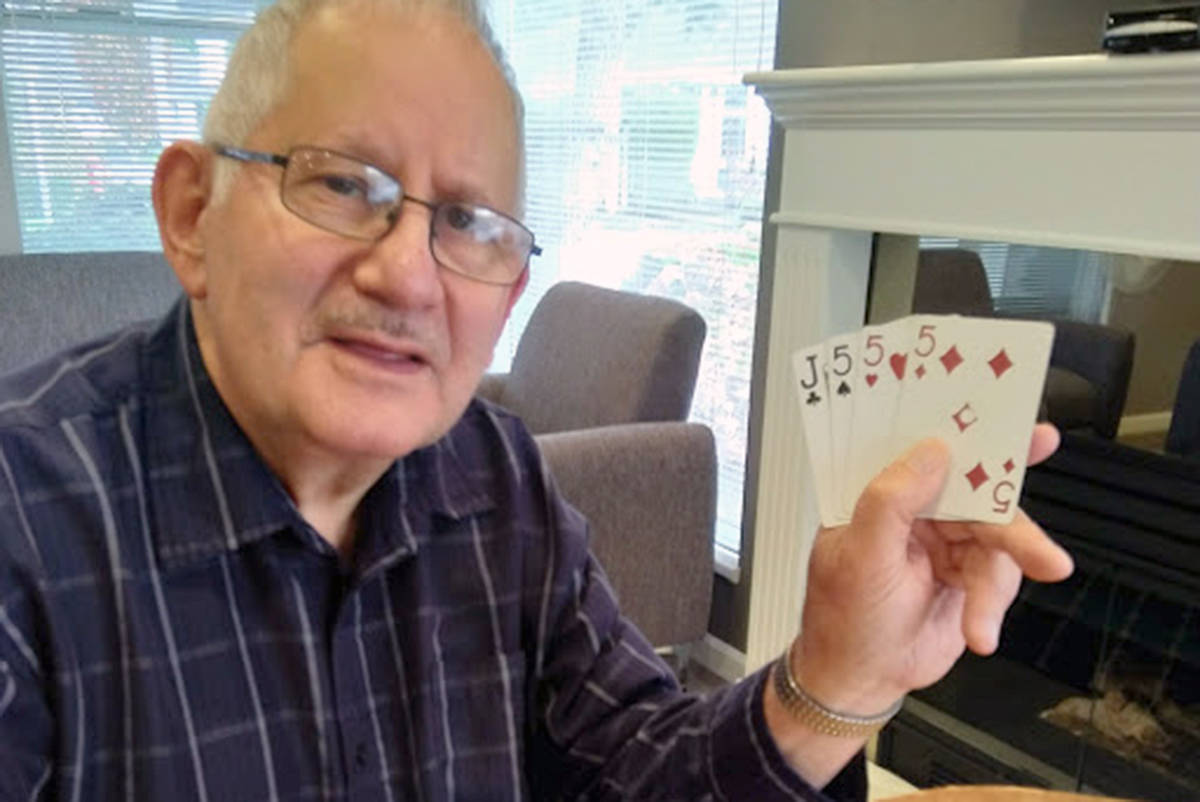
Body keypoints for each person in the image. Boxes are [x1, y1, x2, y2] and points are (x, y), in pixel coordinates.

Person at [0, 0, 1074, 799]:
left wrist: (837, 668)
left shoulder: (496, 478)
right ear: (193, 214)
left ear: (509, 290)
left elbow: (636, 769)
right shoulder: (24, 527)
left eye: (471, 223)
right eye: (341, 183)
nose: (411, 275)